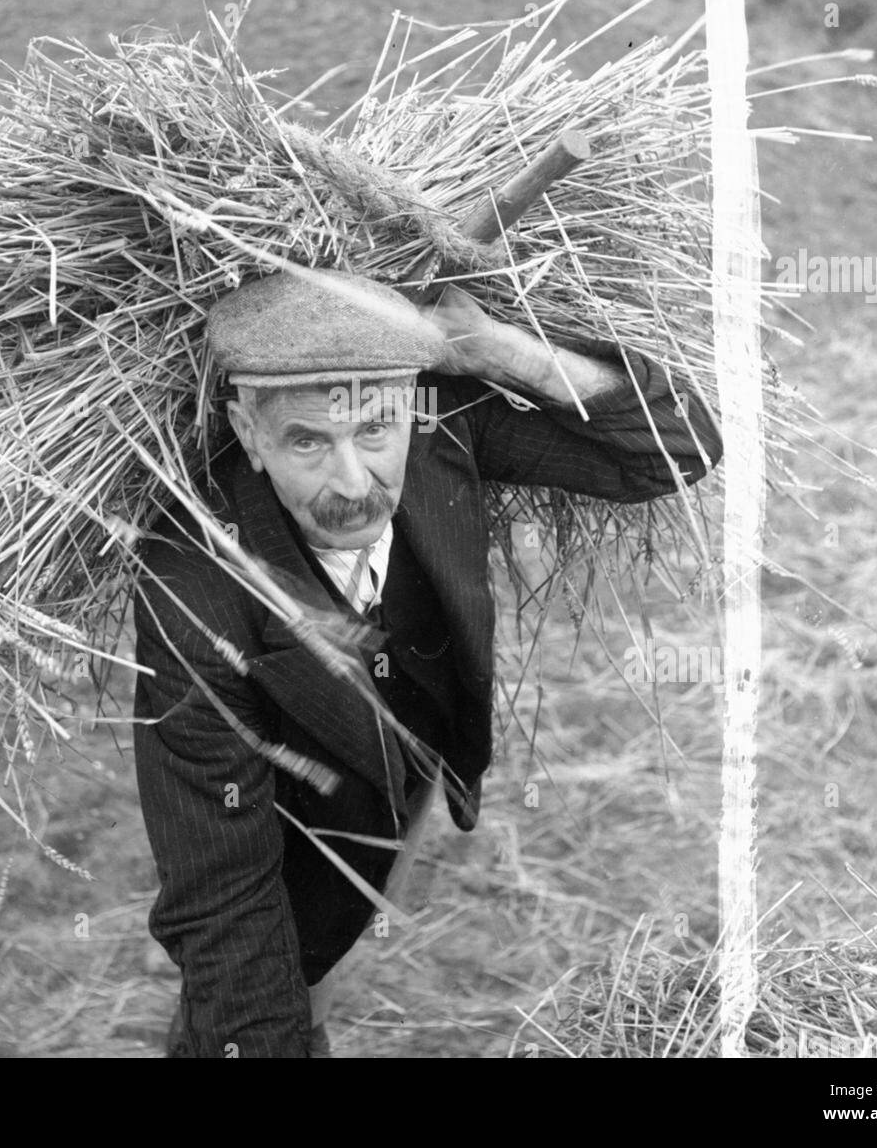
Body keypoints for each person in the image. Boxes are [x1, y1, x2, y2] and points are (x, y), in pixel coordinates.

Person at [132, 268, 722, 1057]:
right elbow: (224, 896)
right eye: (308, 440)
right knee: (267, 975)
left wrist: (502, 353)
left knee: (329, 950)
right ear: (249, 433)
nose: (352, 483)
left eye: (375, 431)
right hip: (296, 807)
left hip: (411, 756)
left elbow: (678, 448)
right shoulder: (193, 592)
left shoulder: (444, 427)